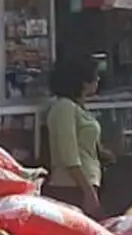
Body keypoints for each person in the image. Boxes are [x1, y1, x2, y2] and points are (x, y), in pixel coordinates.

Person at [46, 54, 112, 216]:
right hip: (72, 186)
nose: (97, 81)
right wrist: (88, 192)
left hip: (88, 181)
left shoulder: (80, 108)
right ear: (83, 81)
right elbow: (69, 156)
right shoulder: (64, 108)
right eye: (94, 77)